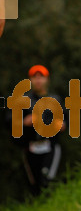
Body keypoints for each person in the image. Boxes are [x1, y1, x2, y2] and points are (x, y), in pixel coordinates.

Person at [17, 65, 66, 195]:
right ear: (30, 80)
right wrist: (24, 122)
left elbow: (65, 122)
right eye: (35, 77)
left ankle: (51, 204)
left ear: (47, 80)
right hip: (30, 148)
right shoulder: (24, 102)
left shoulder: (56, 100)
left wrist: (60, 125)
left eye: (41, 77)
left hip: (50, 146)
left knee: (47, 179)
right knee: (34, 184)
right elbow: (10, 122)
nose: (38, 80)